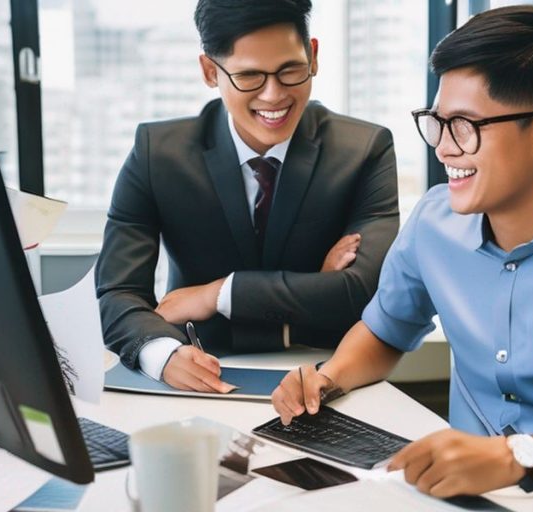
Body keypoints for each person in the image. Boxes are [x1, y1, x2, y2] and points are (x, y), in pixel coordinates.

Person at [270, 6, 533, 510]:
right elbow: (384, 331)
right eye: (437, 123)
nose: (444, 149)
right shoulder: (435, 222)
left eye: (465, 126)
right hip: (459, 498)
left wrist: (511, 458)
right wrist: (327, 377)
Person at [96, 0, 399, 393]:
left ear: (314, 56)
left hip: (325, 378)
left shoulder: (364, 150)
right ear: (210, 71)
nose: (274, 96)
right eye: (249, 77)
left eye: (290, 70)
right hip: (198, 371)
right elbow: (117, 293)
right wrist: (163, 354)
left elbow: (364, 293)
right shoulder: (158, 154)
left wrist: (217, 294)